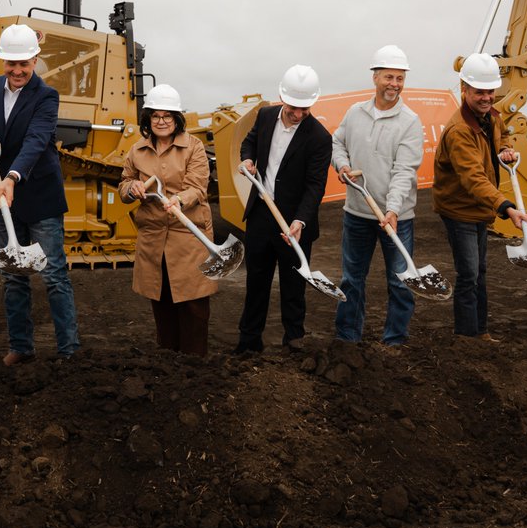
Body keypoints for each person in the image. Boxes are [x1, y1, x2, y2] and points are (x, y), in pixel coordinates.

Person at [0, 23, 80, 364]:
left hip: (39, 195)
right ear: (2, 62)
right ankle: (21, 347)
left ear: (35, 60)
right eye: (11, 64)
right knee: (12, 276)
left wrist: (13, 176)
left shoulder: (46, 95)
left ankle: (68, 351)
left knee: (53, 275)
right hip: (2, 199)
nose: (18, 70)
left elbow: (36, 140)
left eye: (25, 63)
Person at [233, 65, 332, 354]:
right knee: (257, 282)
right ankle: (249, 343)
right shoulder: (264, 116)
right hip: (261, 215)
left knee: (293, 286)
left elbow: (315, 185)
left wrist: (300, 220)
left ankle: (294, 342)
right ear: (281, 96)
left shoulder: (319, 137)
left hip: (294, 222)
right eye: (293, 107)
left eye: (305, 108)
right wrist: (248, 160)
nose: (299, 114)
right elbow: (249, 142)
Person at [331, 45, 424, 347]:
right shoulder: (355, 113)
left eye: (400, 78)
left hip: (396, 219)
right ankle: (348, 341)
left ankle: (394, 343)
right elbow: (337, 143)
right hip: (357, 212)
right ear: (375, 77)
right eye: (389, 77)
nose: (394, 85)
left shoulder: (410, 121)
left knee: (400, 281)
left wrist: (393, 210)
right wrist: (342, 165)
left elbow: (404, 171)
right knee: (351, 279)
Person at [433, 52, 527, 341]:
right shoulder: (459, 130)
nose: (486, 97)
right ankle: (466, 337)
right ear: (464, 90)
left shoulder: (490, 116)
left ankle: (481, 332)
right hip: (460, 208)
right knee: (469, 274)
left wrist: (505, 149)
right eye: (479, 92)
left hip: (479, 208)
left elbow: (501, 137)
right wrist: (506, 207)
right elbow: (473, 178)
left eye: (490, 91)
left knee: (480, 272)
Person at [119, 84, 216, 356]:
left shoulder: (193, 147)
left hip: (189, 234)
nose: (161, 121)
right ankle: (168, 360)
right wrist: (132, 189)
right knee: (161, 299)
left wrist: (179, 200)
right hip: (153, 236)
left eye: (168, 116)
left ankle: (195, 362)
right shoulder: (136, 151)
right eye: (156, 116)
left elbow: (198, 187)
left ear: (177, 119)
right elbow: (124, 184)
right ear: (148, 119)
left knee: (193, 302)